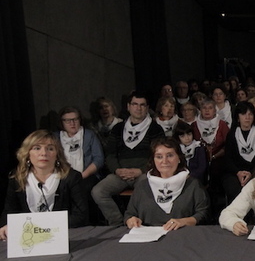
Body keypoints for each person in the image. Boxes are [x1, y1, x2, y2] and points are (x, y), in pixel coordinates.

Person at [92, 92, 165, 226]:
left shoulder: (156, 129)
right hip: (120, 174)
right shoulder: (118, 128)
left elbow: (159, 155)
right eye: (135, 104)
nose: (138, 108)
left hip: (144, 173)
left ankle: (139, 223)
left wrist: (141, 170)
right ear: (128, 107)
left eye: (142, 105)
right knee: (98, 192)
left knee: (145, 190)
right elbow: (110, 154)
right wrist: (117, 170)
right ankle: (118, 223)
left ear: (147, 108)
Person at [1, 130, 88, 239]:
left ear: (57, 154)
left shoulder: (71, 177)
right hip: (27, 238)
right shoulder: (17, 179)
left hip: (65, 236)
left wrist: (46, 226)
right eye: (37, 148)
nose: (44, 153)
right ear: (27, 153)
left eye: (50, 149)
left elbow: (81, 215)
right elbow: (9, 211)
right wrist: (6, 226)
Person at [125, 138, 209, 230]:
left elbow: (204, 214)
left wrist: (184, 221)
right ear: (153, 160)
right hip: (148, 235)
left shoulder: (193, 184)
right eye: (159, 157)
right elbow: (130, 214)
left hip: (182, 234)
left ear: (179, 158)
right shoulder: (142, 186)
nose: (164, 161)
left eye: (170, 155)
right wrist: (131, 220)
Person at [222, 102, 255, 203]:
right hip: (234, 172)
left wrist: (251, 173)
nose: (247, 117)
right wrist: (238, 172)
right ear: (238, 117)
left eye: (250, 114)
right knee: (233, 189)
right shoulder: (231, 134)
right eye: (243, 114)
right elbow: (228, 159)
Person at [55, 106, 104, 193]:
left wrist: (82, 176)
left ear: (80, 120)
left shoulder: (89, 135)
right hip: (62, 176)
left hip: (86, 176)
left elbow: (99, 159)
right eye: (68, 120)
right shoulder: (56, 137)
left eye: (75, 119)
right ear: (62, 122)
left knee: (80, 189)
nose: (72, 123)